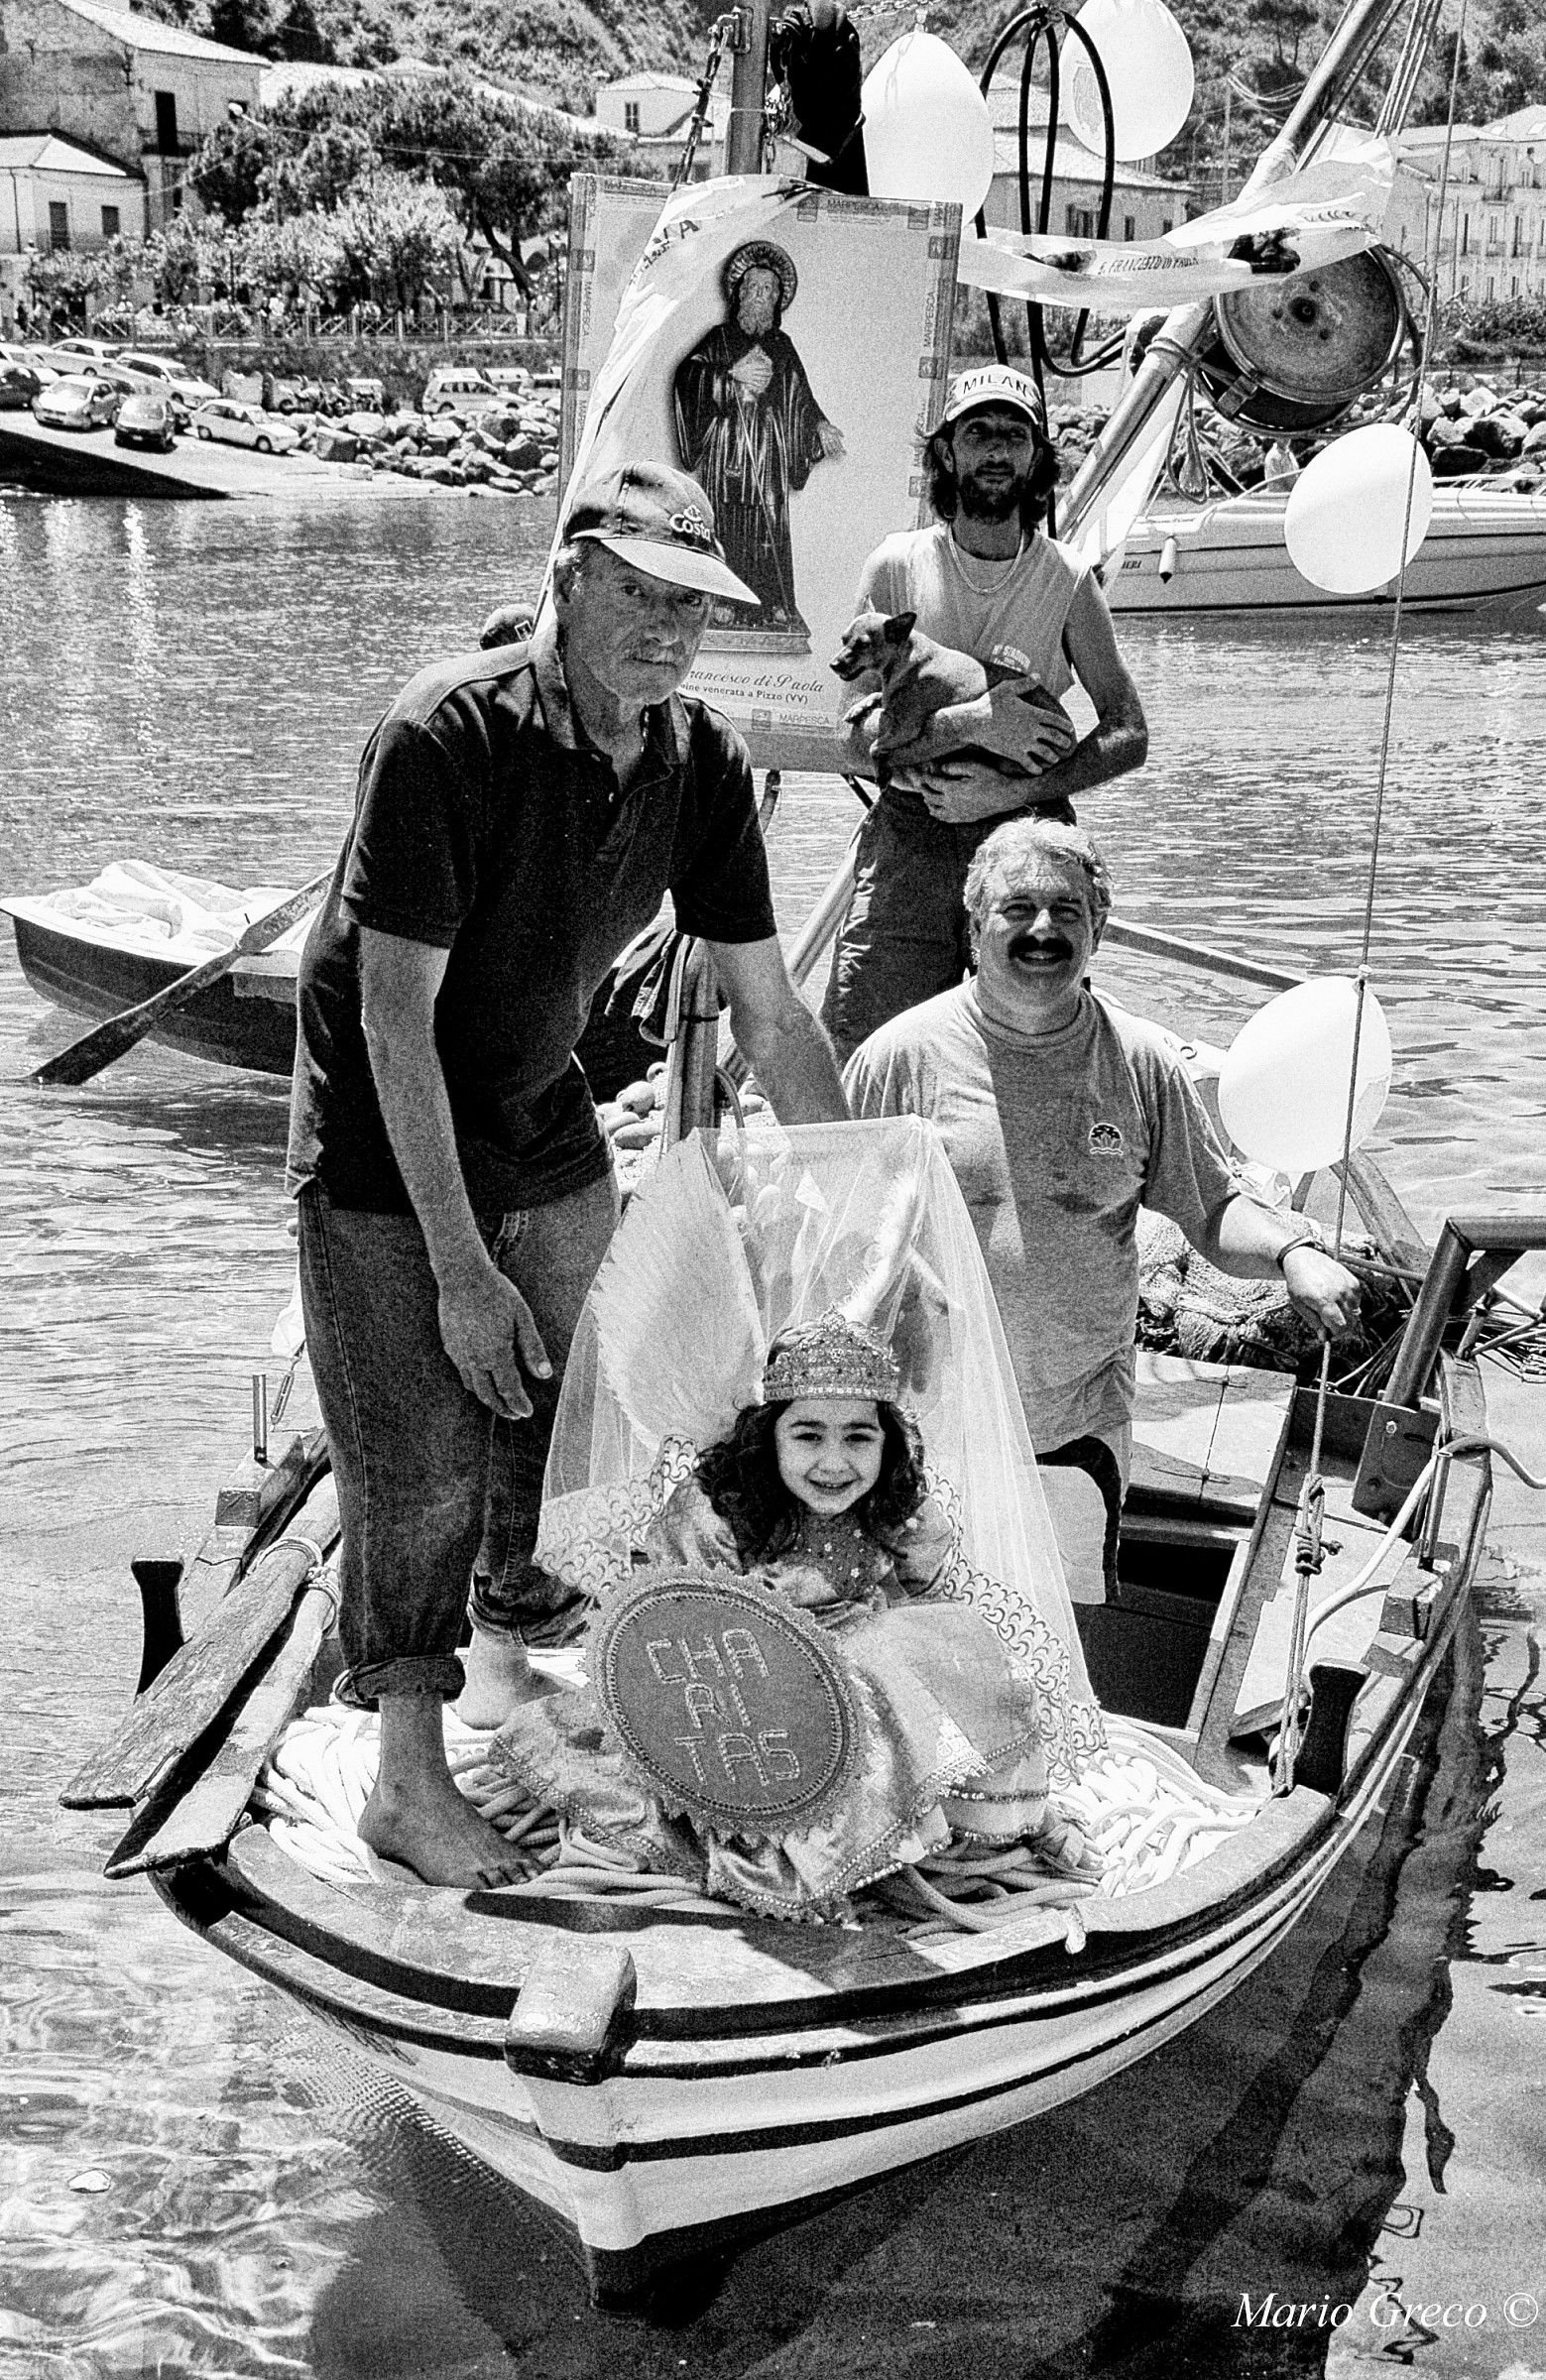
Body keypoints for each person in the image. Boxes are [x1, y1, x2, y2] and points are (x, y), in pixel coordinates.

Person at [286, 459, 850, 1887]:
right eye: (640, 595)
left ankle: (506, 1647)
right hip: (381, 1135)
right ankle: (407, 1784)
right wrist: (462, 1269)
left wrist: (850, 1193)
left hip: (539, 1110)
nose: (667, 631)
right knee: (413, 1457)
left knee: (588, 1401)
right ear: (567, 580)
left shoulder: (695, 760)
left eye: (692, 607)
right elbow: (391, 1018)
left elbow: (769, 1014)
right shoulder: (442, 736)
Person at [844, 816, 1363, 1592]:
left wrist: (1293, 1254)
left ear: (1099, 928)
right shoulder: (897, 1057)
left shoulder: (1141, 1058)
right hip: (918, 1426)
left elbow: (1213, 1210)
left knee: (1054, 1649)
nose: (1042, 929)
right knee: (905, 1640)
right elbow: (835, 1232)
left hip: (1073, 1425)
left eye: (1067, 911)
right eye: (1017, 909)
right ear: (975, 923)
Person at [493, 1312, 1079, 1920]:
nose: (834, 1462)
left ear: (889, 1442)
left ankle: (1010, 1818)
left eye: (859, 1436)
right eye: (807, 1435)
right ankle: (789, 1855)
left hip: (864, 1688)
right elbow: (674, 1635)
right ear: (768, 1436)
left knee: (958, 1643)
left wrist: (924, 1591)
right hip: (740, 1691)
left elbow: (918, 1608)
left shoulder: (899, 1510)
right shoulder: (715, 1510)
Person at [821, 363, 1148, 1060]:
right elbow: (850, 742)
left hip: (1025, 836)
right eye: (977, 432)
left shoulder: (1066, 580)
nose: (995, 450)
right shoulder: (895, 568)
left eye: (1013, 435)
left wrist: (1017, 789)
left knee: (1035, 1049)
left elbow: (1127, 733)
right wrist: (971, 723)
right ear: (947, 452)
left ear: (1036, 458)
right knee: (866, 1043)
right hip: (911, 834)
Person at [672, 239, 845, 636]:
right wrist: (729, 377)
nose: (761, 297)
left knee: (768, 522)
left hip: (767, 449)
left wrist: (819, 427)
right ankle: (726, 601)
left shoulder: (782, 346)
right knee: (728, 521)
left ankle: (773, 602)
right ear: (740, 294)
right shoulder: (717, 338)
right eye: (754, 289)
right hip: (727, 443)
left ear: (777, 300)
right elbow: (688, 377)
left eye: (769, 291)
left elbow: (801, 398)